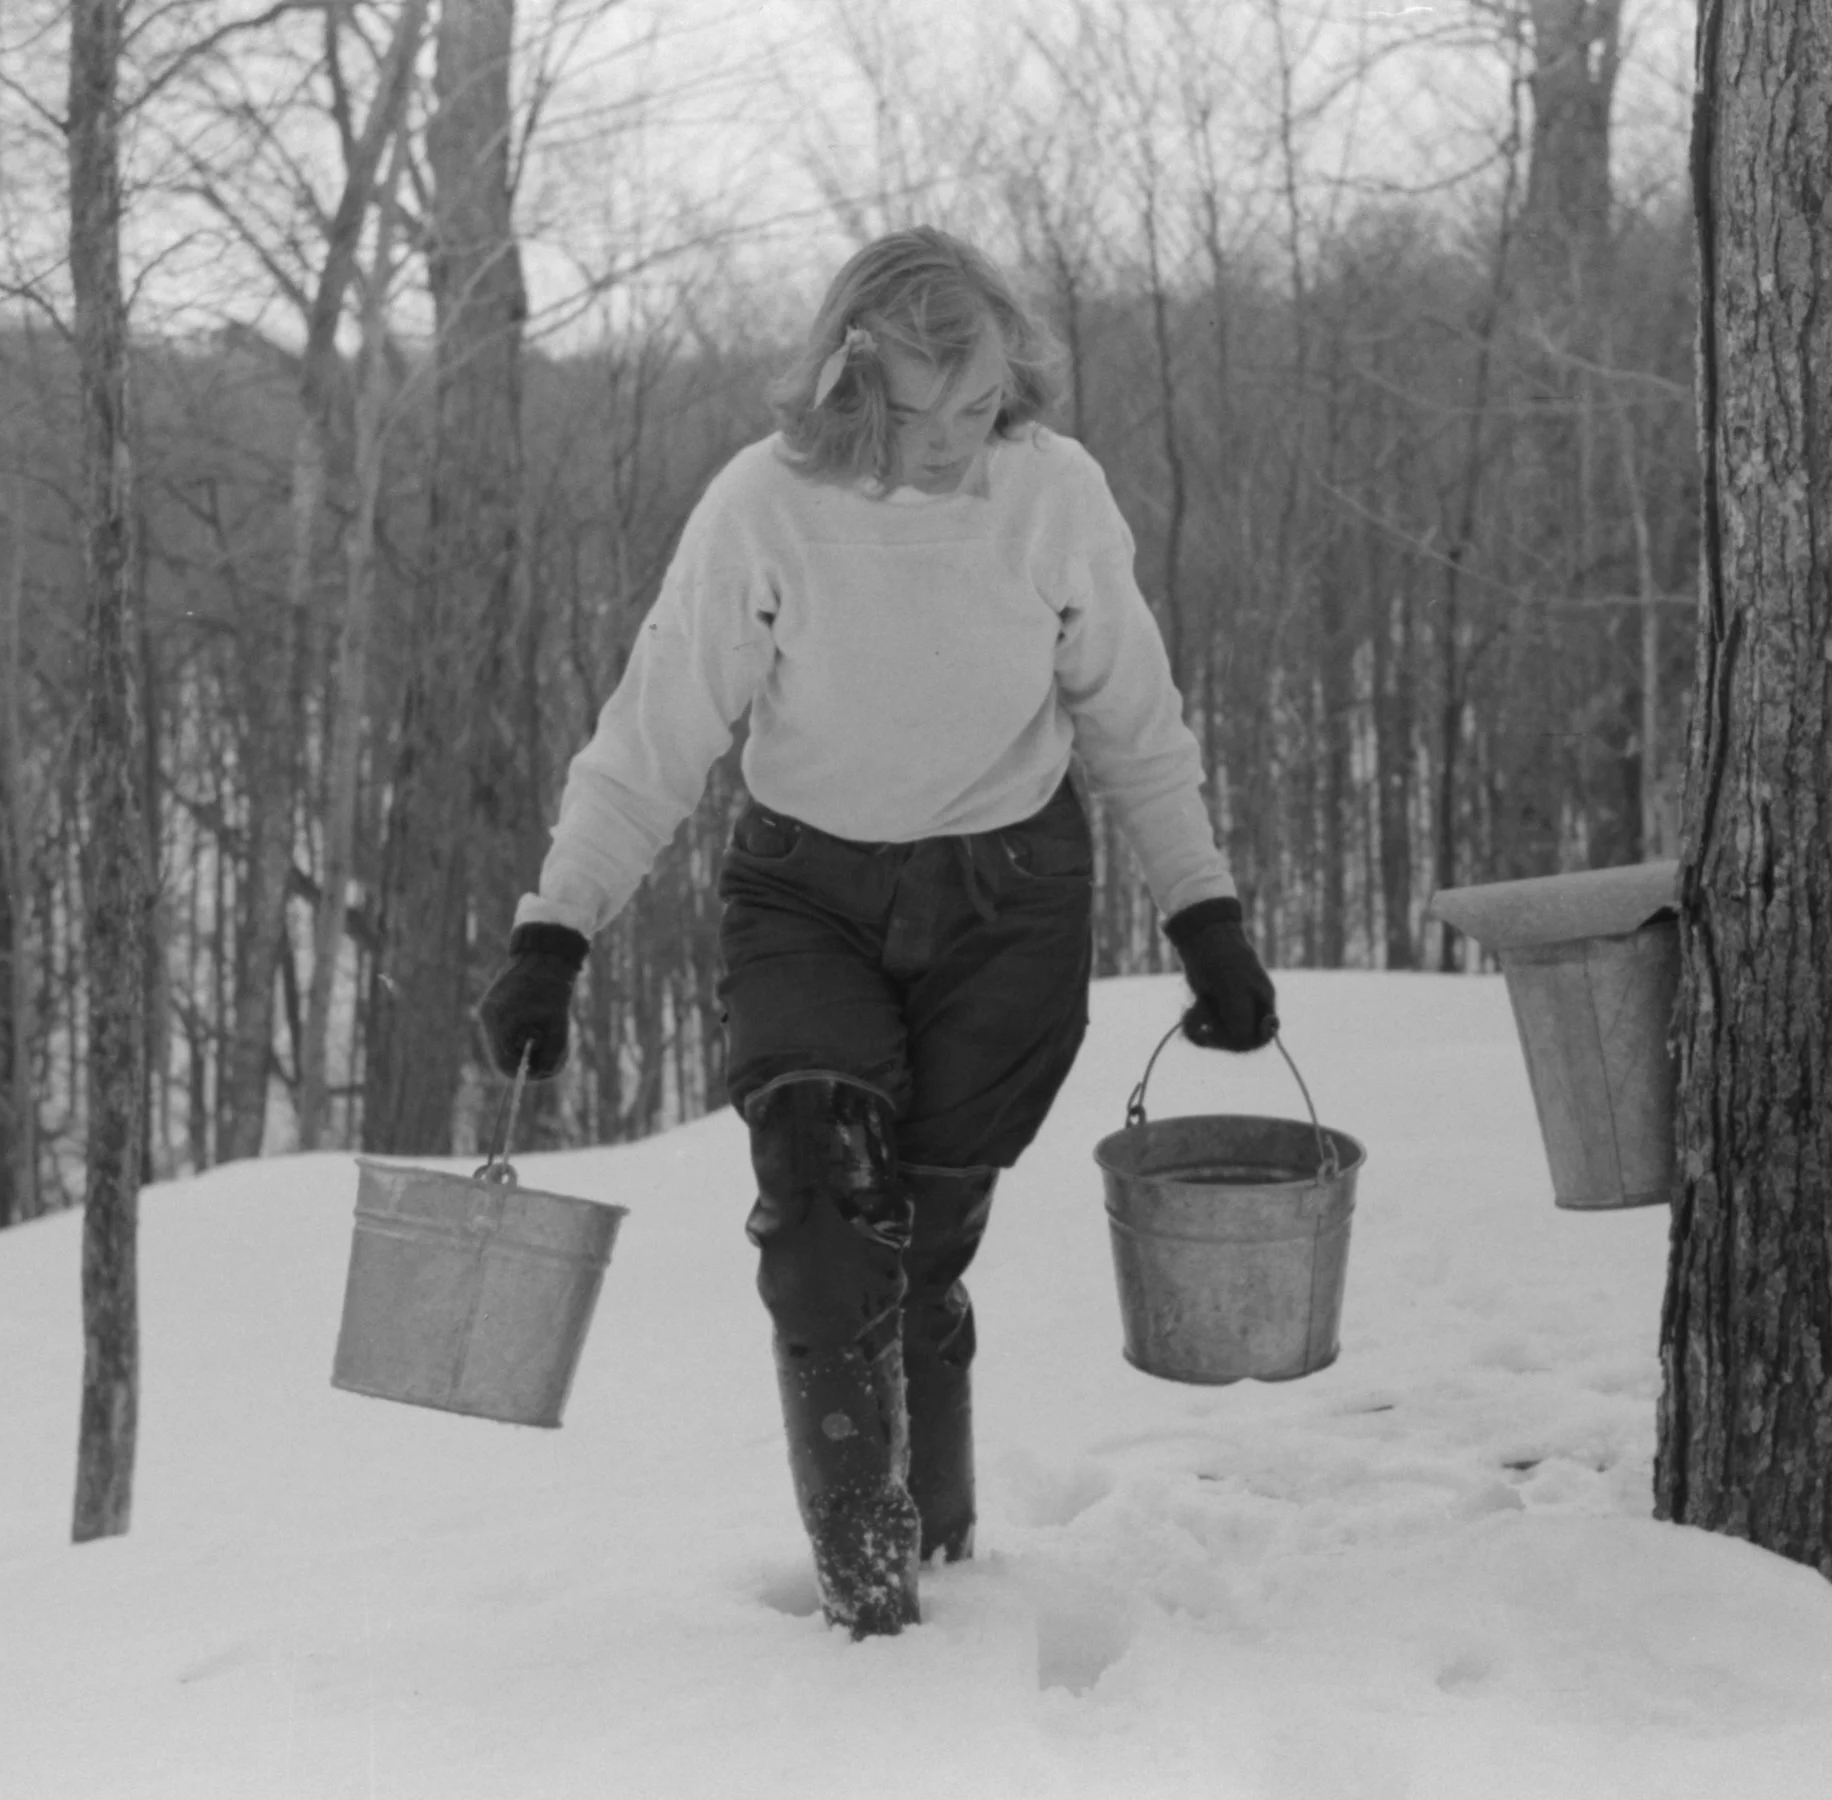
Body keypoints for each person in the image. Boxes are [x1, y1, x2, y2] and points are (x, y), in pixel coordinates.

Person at [475, 226, 1276, 1639]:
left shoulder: (1054, 493)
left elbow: (1134, 724)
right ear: (851, 389)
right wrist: (556, 932)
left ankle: (940, 1546)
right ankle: (872, 1598)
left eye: (981, 407)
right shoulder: (765, 506)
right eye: (918, 415)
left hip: (1008, 907)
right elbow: (656, 733)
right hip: (809, 899)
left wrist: (1203, 914)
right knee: (823, 1221)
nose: (955, 443)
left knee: (919, 1256)